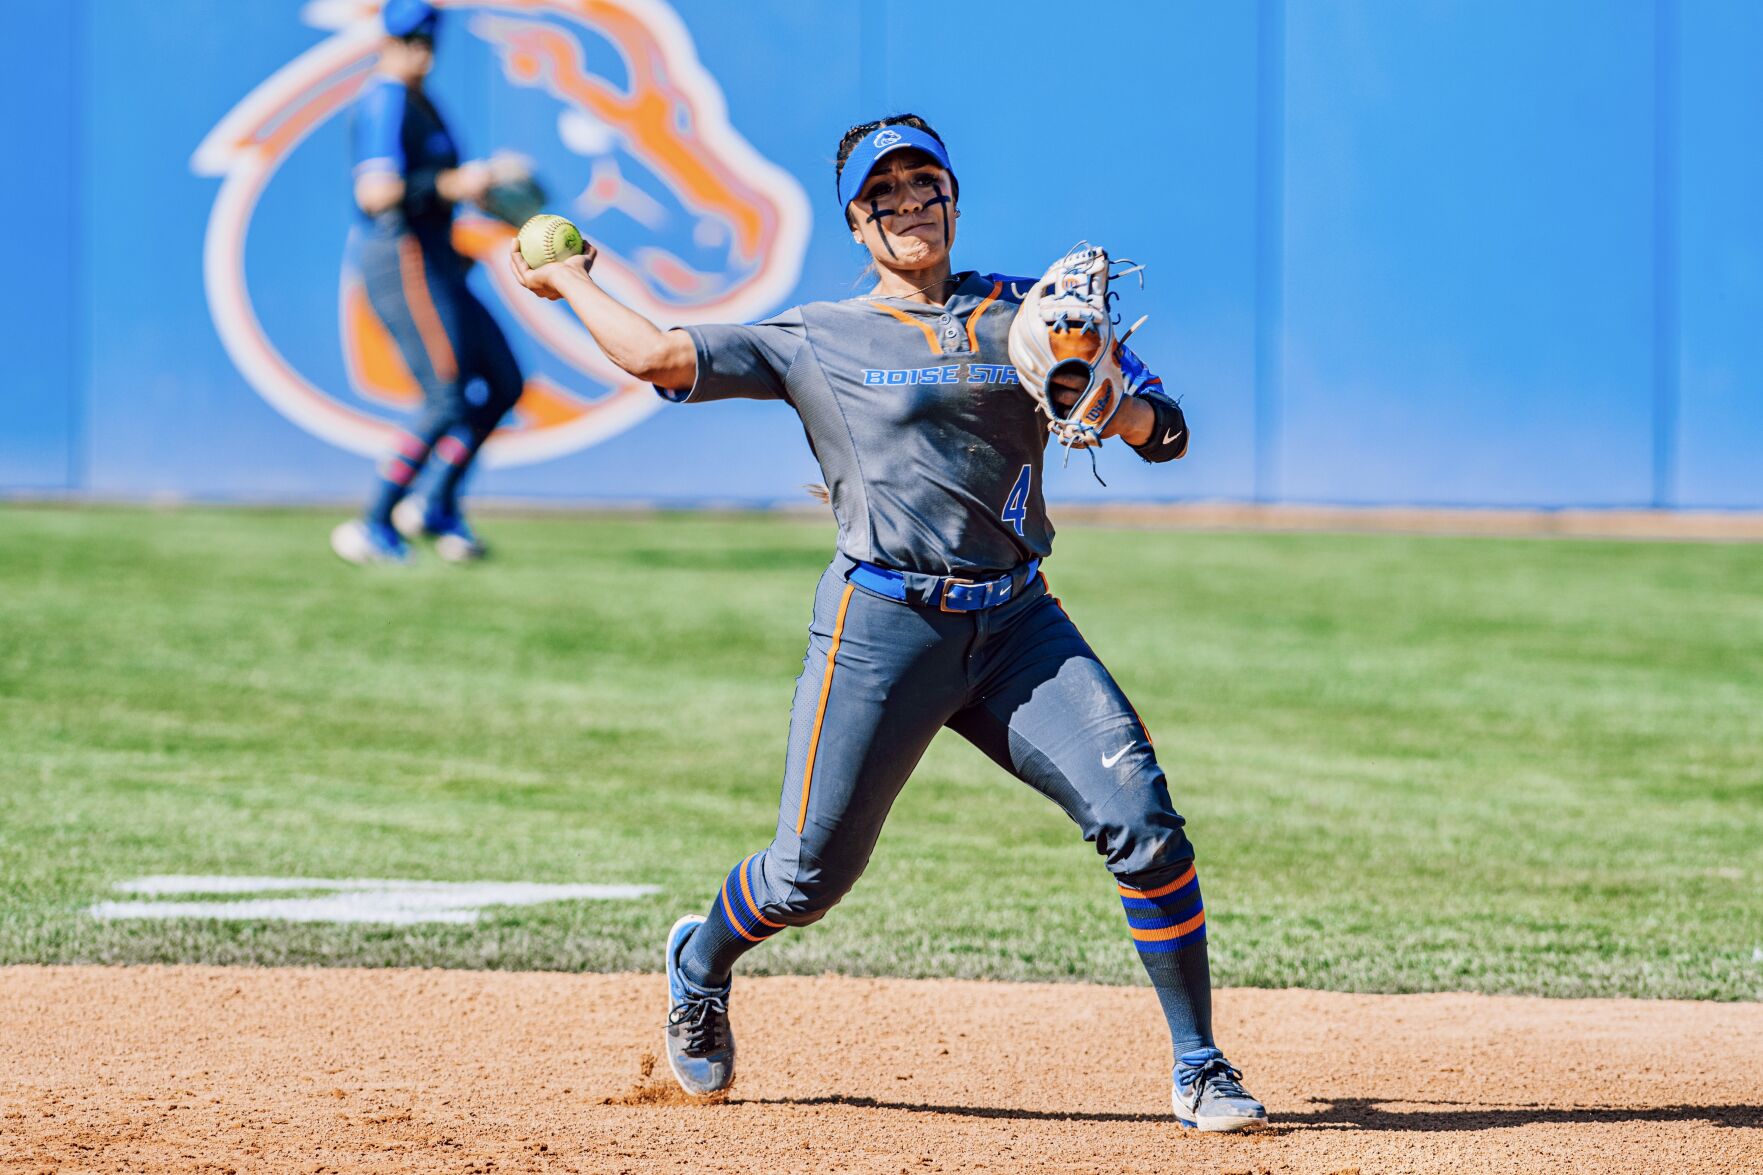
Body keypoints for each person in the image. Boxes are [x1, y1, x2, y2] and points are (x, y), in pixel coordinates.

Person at [507, 114, 1268, 1132]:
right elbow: (654, 354)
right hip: (882, 628)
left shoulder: (1028, 314)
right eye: (883, 193)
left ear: (952, 198)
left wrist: (1108, 397)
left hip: (1015, 629)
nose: (907, 203)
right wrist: (569, 282)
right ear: (855, 221)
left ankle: (1199, 1062)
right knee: (805, 877)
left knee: (1142, 822)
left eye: (924, 184)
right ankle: (700, 956)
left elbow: (1164, 434)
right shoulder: (818, 336)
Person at [330, 0, 524, 565]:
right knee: (446, 395)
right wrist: (457, 184)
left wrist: (491, 194)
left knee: (504, 381)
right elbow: (376, 194)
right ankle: (374, 520)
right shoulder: (385, 98)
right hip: (402, 255)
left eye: (428, 38)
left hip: (437, 256)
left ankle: (435, 502)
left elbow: (440, 189)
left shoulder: (421, 100)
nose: (421, 49)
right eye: (409, 37)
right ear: (386, 39)